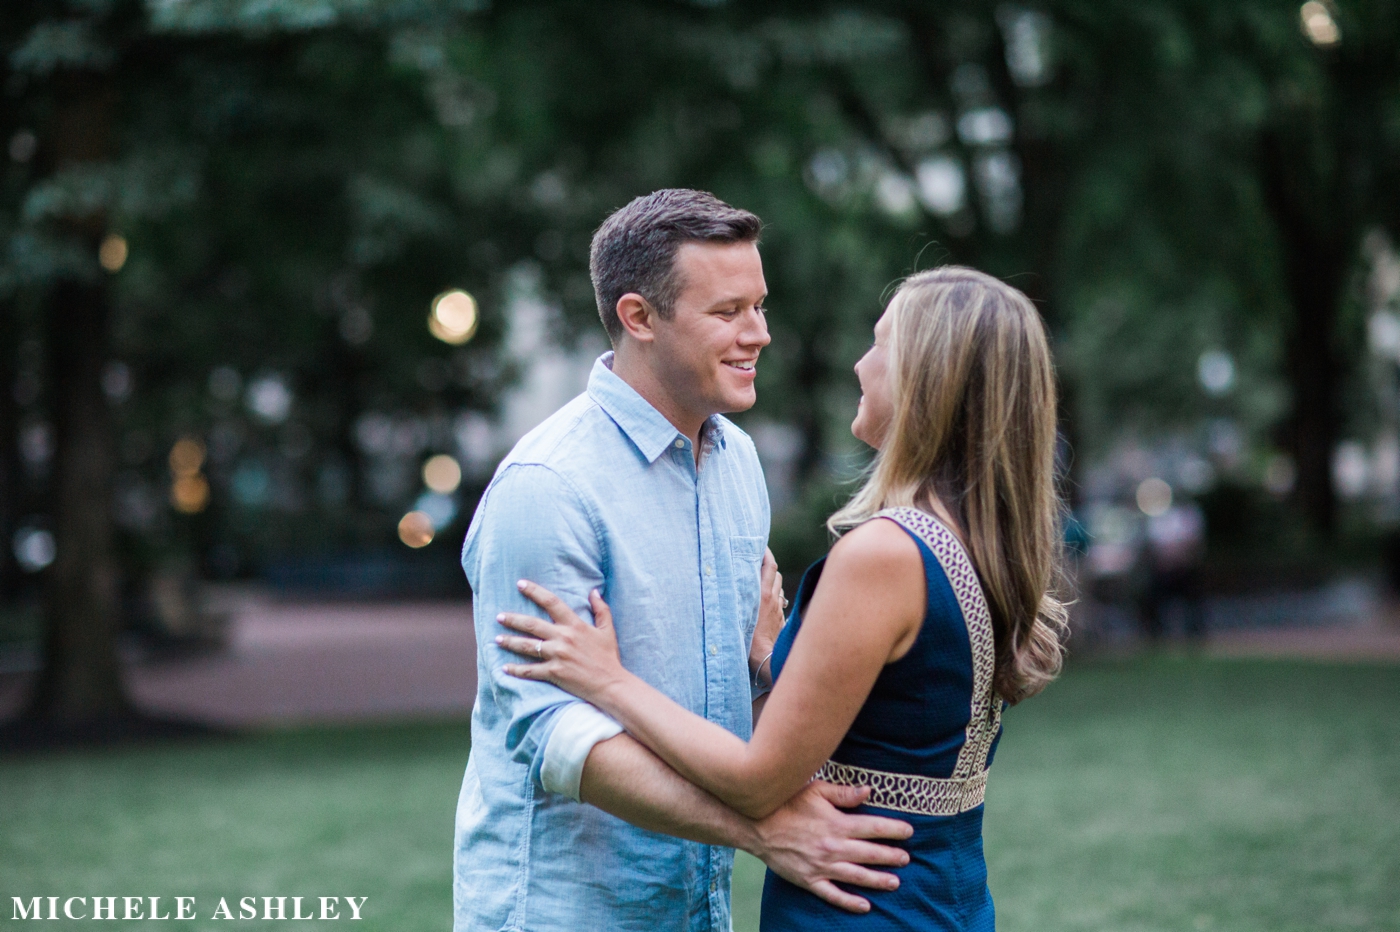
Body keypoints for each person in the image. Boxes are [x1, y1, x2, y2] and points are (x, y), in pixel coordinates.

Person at [498, 266, 1070, 930]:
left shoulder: (884, 553)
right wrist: (778, 660)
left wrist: (609, 680)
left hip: (862, 904)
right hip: (948, 893)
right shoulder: (975, 539)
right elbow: (908, 709)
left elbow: (756, 779)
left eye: (879, 345)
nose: (860, 366)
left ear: (926, 379)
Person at [454, 189, 914, 932]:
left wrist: (771, 665)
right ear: (639, 318)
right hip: (567, 912)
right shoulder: (548, 488)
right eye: (728, 312)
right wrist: (759, 830)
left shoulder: (739, 463)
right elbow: (550, 736)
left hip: (699, 907)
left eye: (761, 306)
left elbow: (727, 696)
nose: (759, 333)